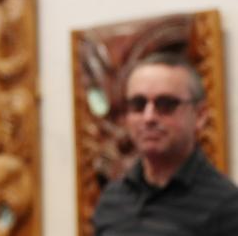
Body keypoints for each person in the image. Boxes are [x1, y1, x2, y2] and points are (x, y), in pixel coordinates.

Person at [92, 52, 238, 236]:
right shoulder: (112, 198)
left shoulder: (226, 206)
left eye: (165, 104)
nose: (149, 117)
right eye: (138, 104)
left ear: (200, 115)